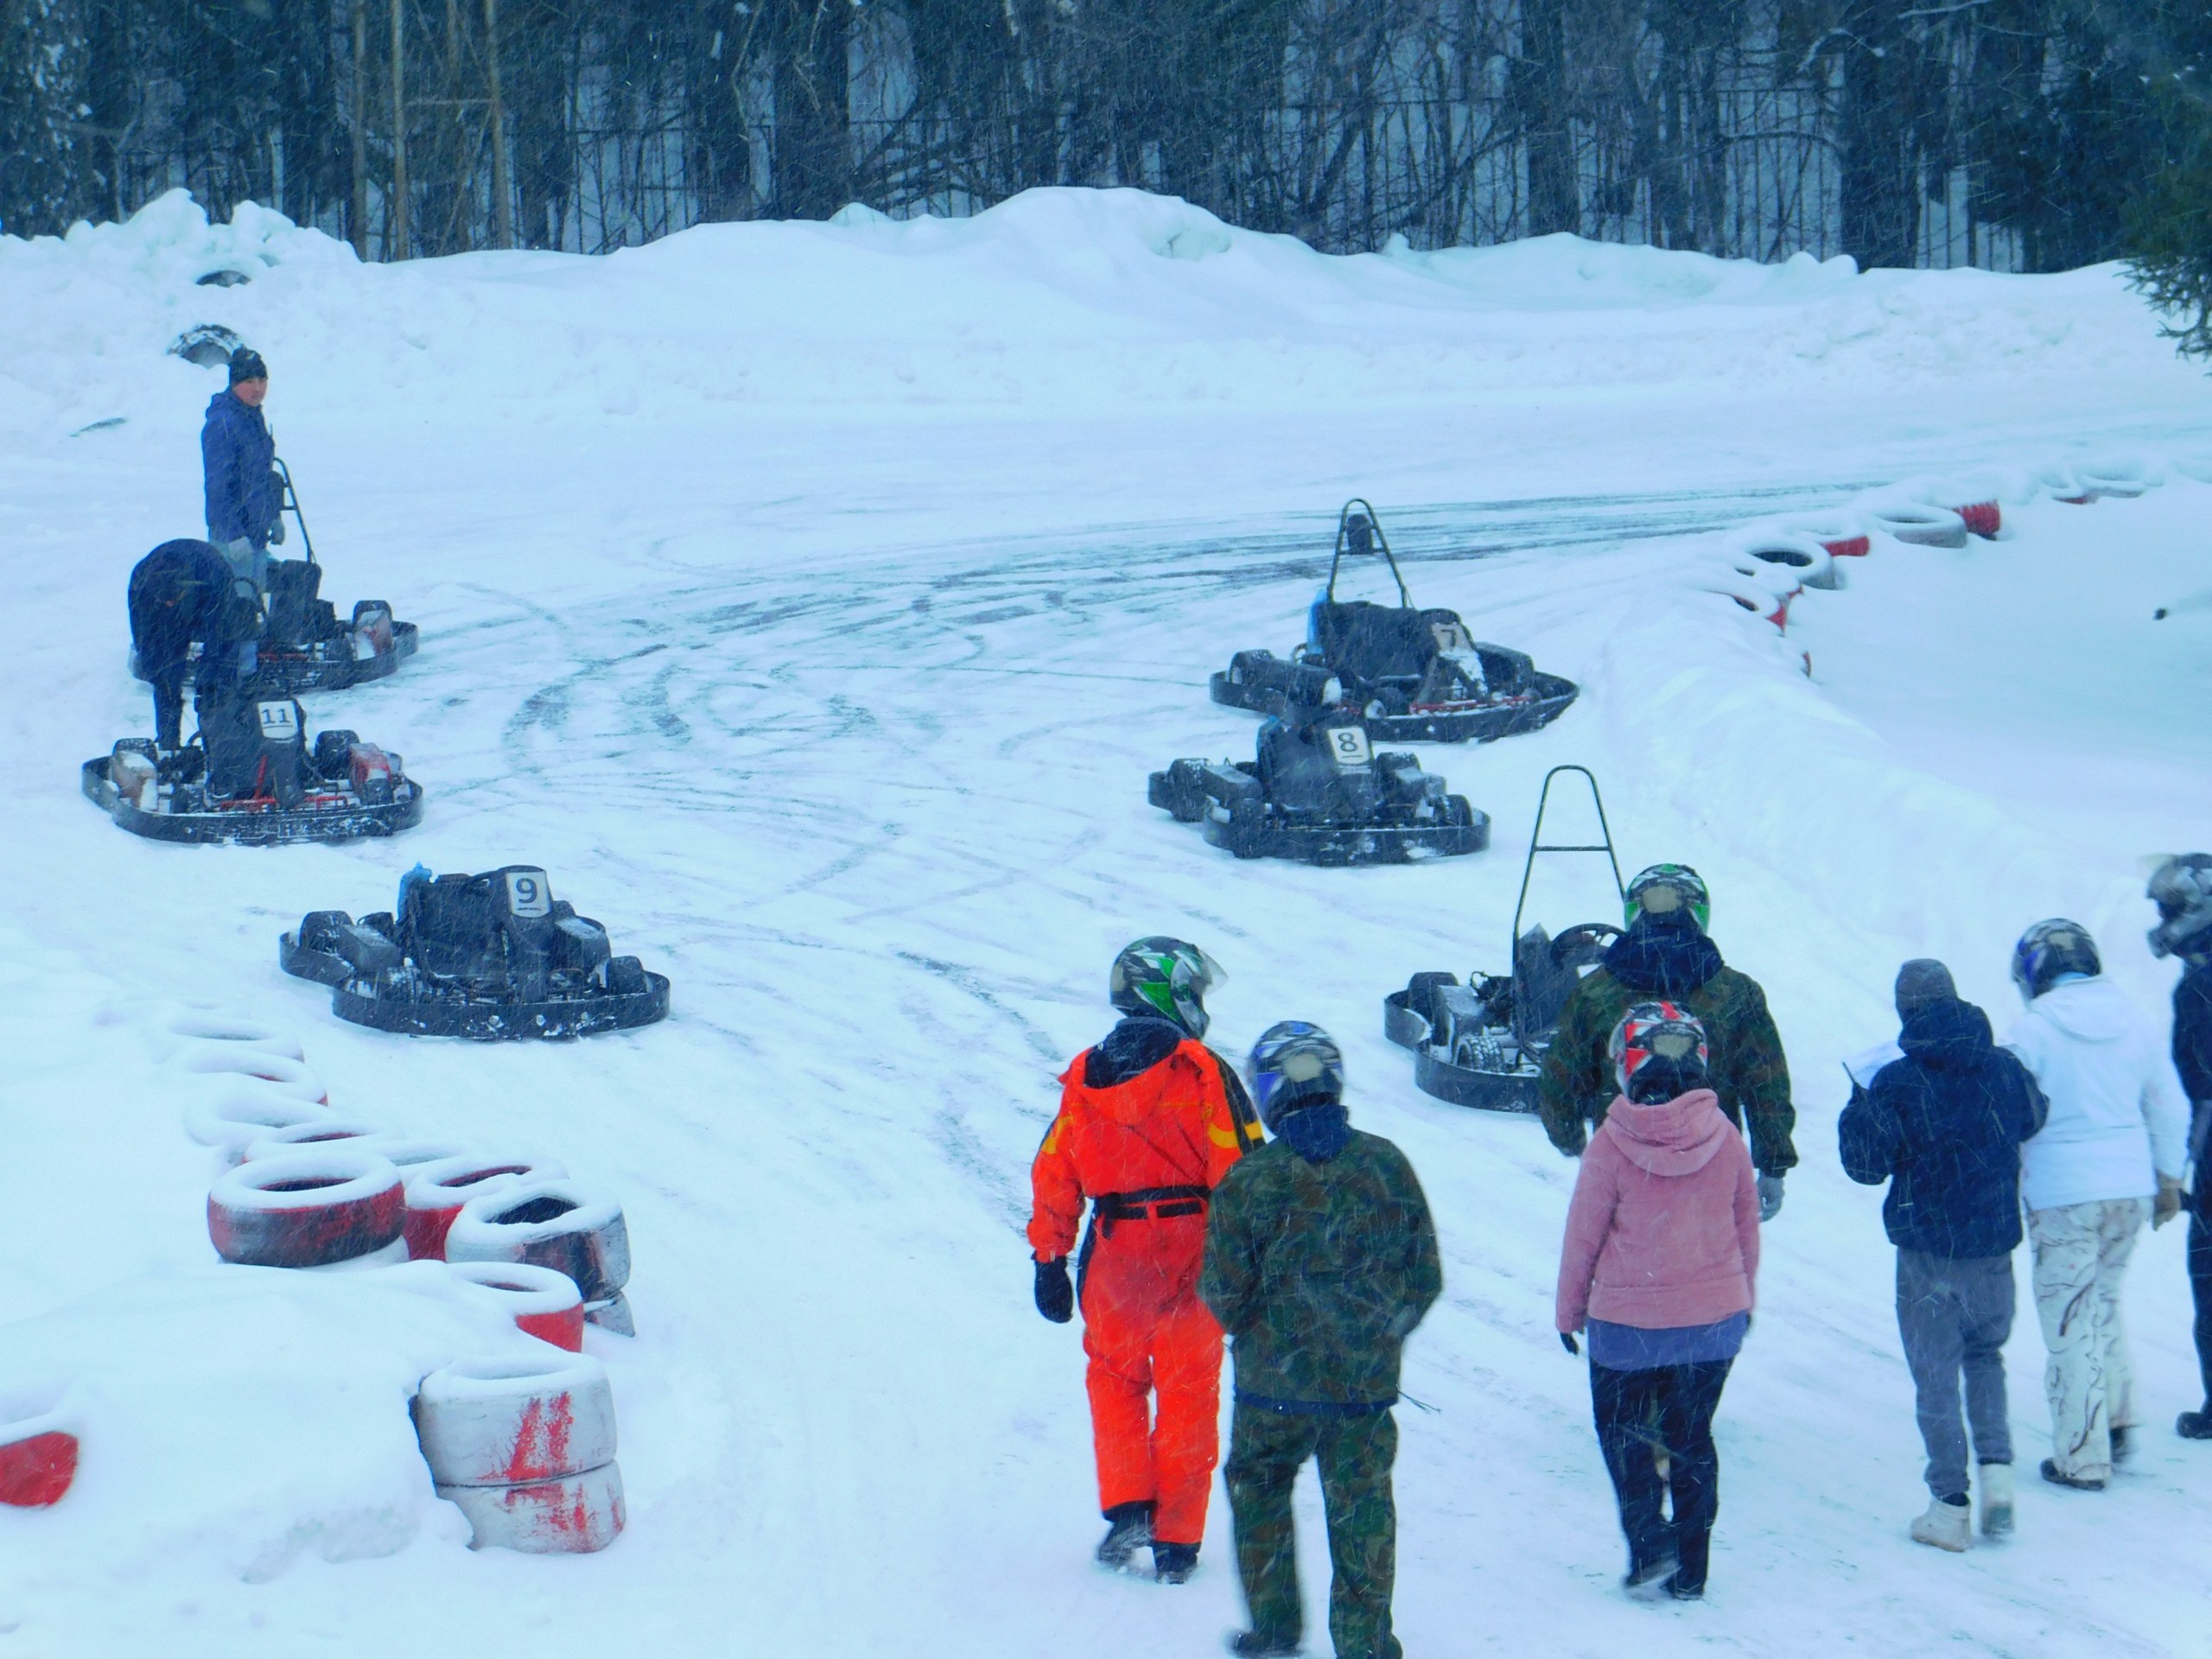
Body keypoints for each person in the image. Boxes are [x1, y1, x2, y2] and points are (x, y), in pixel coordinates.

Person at [1202, 1022, 1440, 1659]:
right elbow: (1424, 1275)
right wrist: (1380, 1332)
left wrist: (1265, 1332)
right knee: (1362, 1511)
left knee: (1259, 1493)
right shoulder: (1386, 1163)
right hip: (1361, 1391)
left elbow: (1222, 1290)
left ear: (1267, 1091)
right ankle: (1363, 1644)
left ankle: (1275, 1630)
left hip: (1269, 1388)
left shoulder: (1249, 1181)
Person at [1027, 938, 1262, 1582]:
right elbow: (1242, 1168)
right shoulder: (1200, 1068)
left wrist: (1050, 1256)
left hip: (1115, 1253)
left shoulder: (1084, 1075)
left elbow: (1057, 1167)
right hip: (1193, 1249)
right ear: (1172, 992)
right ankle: (1178, 1542)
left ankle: (1130, 1506)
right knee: (1188, 1393)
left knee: (1115, 1381)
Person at [1839, 959, 2046, 1549]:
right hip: (1993, 1249)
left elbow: (1865, 1166)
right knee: (1985, 1358)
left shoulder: (1897, 1080)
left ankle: (1949, 1506)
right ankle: (1999, 1478)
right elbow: (2034, 1117)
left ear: (1905, 1011)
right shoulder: (2003, 1066)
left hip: (1928, 1251)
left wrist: (1859, 1104)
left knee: (1935, 1377)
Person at [1556, 1002, 1758, 1602]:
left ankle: (1650, 1543)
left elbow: (1582, 1238)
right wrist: (1741, 1303)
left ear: (1627, 1062)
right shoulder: (1726, 1138)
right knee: (1692, 1437)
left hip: (1627, 1329)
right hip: (1712, 1324)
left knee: (1625, 1436)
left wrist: (1569, 1313)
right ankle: (1692, 1568)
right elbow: (1746, 1230)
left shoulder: (1611, 1146)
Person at [2005, 919, 2191, 1491]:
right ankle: (2118, 1418)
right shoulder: (2135, 1020)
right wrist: (2166, 1178)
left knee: (2070, 1323)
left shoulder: (2032, 1031)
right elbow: (2169, 1106)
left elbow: (2010, 1112)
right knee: (2104, 1301)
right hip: (2129, 1187)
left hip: (2063, 1193)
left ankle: (2081, 1459)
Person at [1539, 863, 1798, 1218]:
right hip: (1712, 1162)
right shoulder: (1737, 993)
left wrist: (1573, 1143)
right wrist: (1773, 1165)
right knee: (1711, 1266)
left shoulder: (1595, 992)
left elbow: (1561, 1079)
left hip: (1623, 1160)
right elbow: (1765, 1084)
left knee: (1628, 1261)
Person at [2144, 856, 2212, 1440]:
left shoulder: (2200, 986)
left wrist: (2179, 1169)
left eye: (2169, 910)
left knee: (2210, 1273)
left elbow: (2195, 1085)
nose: (2163, 922)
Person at [125, 537, 260, 750]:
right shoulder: (140, 583)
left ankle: (217, 745)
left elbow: (219, 639)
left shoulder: (213, 577)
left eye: (173, 598)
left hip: (209, 604)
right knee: (165, 681)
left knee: (216, 684)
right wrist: (156, 669)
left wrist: (208, 681)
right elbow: (144, 635)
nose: (169, 602)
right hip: (164, 619)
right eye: (165, 600)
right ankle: (169, 745)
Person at [201, 346, 284, 596]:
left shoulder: (252, 418)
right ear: (235, 383)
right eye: (249, 381)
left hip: (256, 536)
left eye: (262, 380)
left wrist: (273, 513)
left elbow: (262, 475)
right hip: (233, 541)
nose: (258, 388)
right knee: (239, 611)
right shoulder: (224, 423)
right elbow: (217, 487)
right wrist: (232, 535)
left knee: (261, 605)